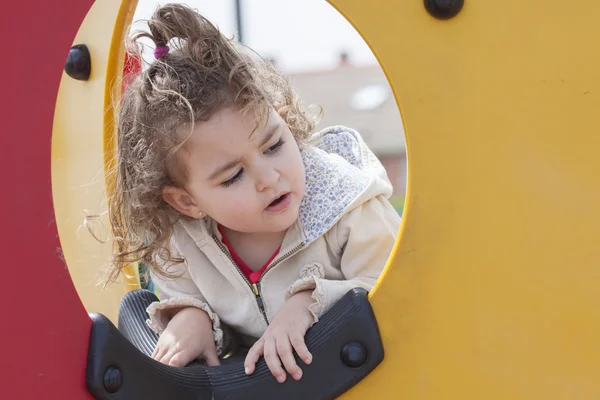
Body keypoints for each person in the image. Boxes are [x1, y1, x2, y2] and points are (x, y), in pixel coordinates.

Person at [106, 3, 400, 384]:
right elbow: (199, 302)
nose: (268, 177)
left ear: (282, 121)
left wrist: (309, 304)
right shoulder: (184, 244)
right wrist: (193, 317)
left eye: (274, 145)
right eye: (233, 177)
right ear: (188, 201)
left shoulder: (349, 204)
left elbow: (396, 286)